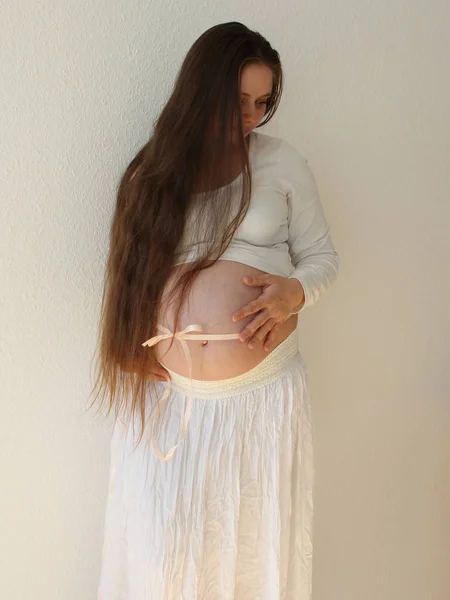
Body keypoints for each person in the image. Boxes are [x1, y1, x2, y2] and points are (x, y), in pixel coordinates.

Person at [91, 21, 339, 600]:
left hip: (261, 401)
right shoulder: (152, 172)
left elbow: (321, 256)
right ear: (201, 92)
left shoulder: (282, 163)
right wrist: (122, 347)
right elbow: (128, 275)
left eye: (262, 102)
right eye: (238, 100)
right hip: (168, 406)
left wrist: (294, 292)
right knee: (164, 564)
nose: (251, 116)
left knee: (250, 557)